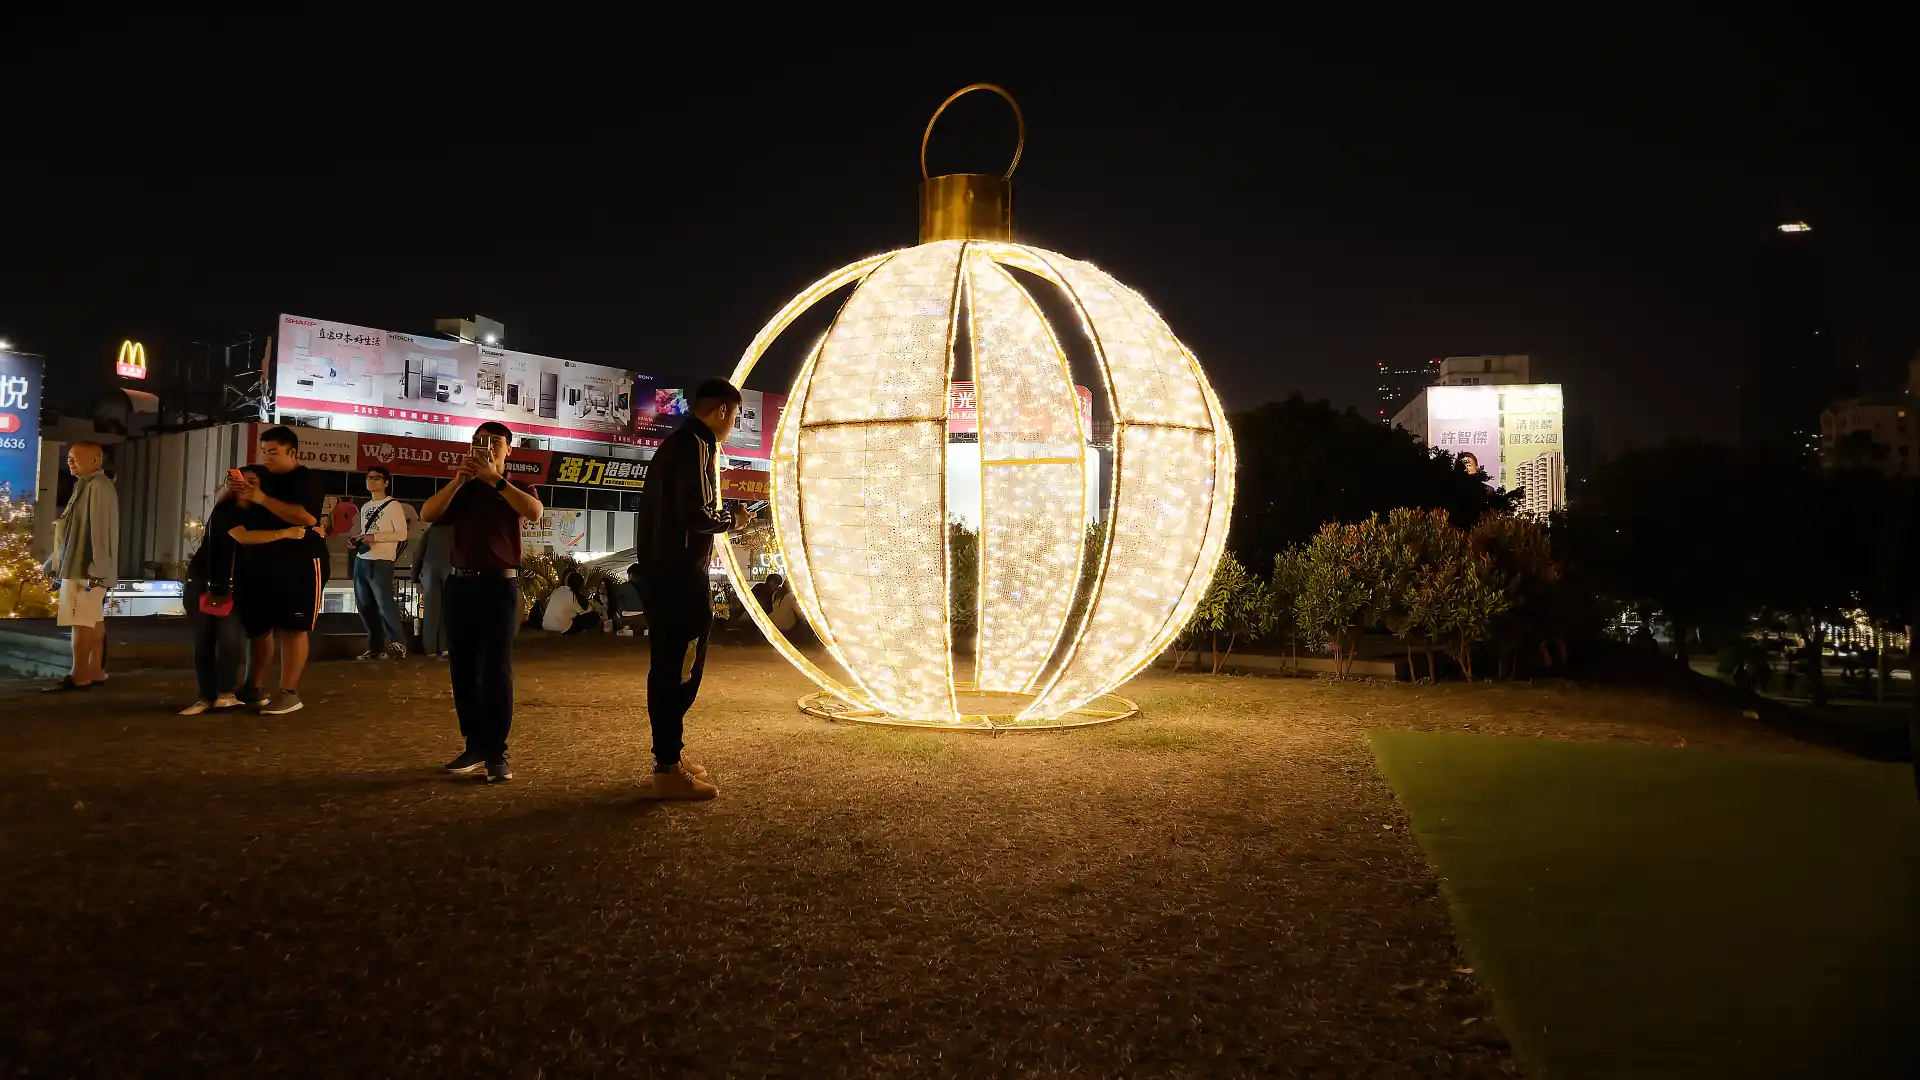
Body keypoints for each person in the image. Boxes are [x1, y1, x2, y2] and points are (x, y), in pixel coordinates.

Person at [634, 378, 758, 800]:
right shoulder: (697, 447)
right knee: (680, 669)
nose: (734, 424)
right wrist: (733, 519)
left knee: (671, 666)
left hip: (665, 574)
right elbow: (698, 515)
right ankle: (667, 766)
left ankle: (670, 755)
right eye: (735, 416)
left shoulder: (679, 445)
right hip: (680, 578)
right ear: (722, 411)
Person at [421, 421, 544, 783]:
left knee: (495, 669)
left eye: (494, 442)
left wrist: (495, 480)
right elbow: (428, 514)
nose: (485, 447)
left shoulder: (516, 486)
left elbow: (534, 512)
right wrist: (458, 481)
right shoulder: (464, 488)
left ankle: (496, 752)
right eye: (478, 441)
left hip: (499, 585)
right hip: (460, 584)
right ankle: (474, 745)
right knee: (462, 668)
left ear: (509, 450)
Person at [227, 426, 324, 716]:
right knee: (259, 628)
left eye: (273, 452)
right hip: (260, 561)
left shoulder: (306, 480)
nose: (266, 457)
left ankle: (288, 692)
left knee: (294, 627)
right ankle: (253, 687)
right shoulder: (261, 476)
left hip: (299, 561)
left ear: (292, 452)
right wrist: (235, 490)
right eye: (264, 451)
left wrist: (262, 499)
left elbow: (307, 517)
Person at [178, 466, 260, 714]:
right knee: (204, 641)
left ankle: (224, 693)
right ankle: (206, 696)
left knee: (229, 641)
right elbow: (242, 536)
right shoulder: (224, 510)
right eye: (241, 481)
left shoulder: (261, 514)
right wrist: (286, 533)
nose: (245, 486)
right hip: (206, 583)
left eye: (253, 482)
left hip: (236, 587)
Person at [43, 442, 119, 692]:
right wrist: (52, 563)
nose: (70, 462)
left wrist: (97, 569)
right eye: (69, 458)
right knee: (92, 620)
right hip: (84, 566)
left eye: (75, 457)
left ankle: (79, 675)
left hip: (84, 568)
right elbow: (72, 532)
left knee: (81, 621)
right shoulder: (88, 485)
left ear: (96, 460)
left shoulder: (96, 486)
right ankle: (95, 670)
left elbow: (100, 531)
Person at [347, 466, 412, 659]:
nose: (371, 480)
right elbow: (366, 533)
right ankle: (375, 647)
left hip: (382, 561)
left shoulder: (393, 505)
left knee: (385, 605)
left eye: (376, 478)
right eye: (369, 477)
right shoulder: (365, 507)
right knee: (365, 606)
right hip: (362, 560)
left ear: (385, 482)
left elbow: (402, 534)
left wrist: (373, 537)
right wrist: (358, 540)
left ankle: (397, 644)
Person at [416, 518, 455, 659]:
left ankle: (430, 649)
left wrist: (415, 578)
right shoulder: (457, 531)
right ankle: (445, 647)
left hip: (429, 574)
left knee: (430, 613)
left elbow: (418, 555)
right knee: (448, 612)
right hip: (450, 573)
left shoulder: (430, 532)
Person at [607, 563, 645, 637]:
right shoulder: (648, 586)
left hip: (627, 616)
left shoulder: (622, 587)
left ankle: (626, 628)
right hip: (644, 615)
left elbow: (614, 601)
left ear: (630, 574)